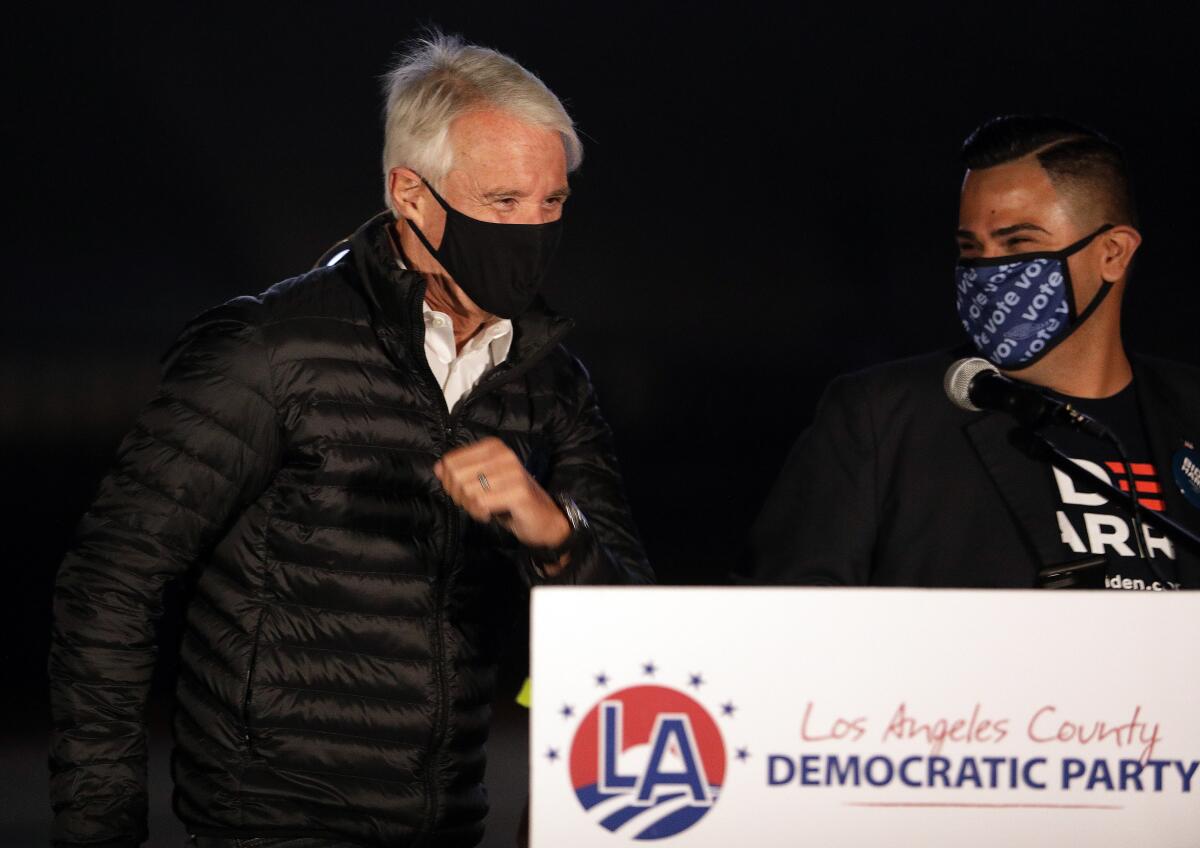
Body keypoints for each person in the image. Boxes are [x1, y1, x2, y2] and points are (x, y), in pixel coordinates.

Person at [47, 33, 653, 848]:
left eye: (552, 203)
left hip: (449, 824)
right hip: (269, 825)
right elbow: (110, 585)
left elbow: (640, 642)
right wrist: (100, 830)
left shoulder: (551, 381)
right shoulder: (270, 349)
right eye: (504, 202)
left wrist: (555, 539)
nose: (534, 229)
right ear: (411, 194)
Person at [750, 115, 1200, 590]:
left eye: (1018, 242)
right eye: (971, 247)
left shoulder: (1190, 411)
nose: (987, 270)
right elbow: (786, 623)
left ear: (1113, 253)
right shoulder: (883, 419)